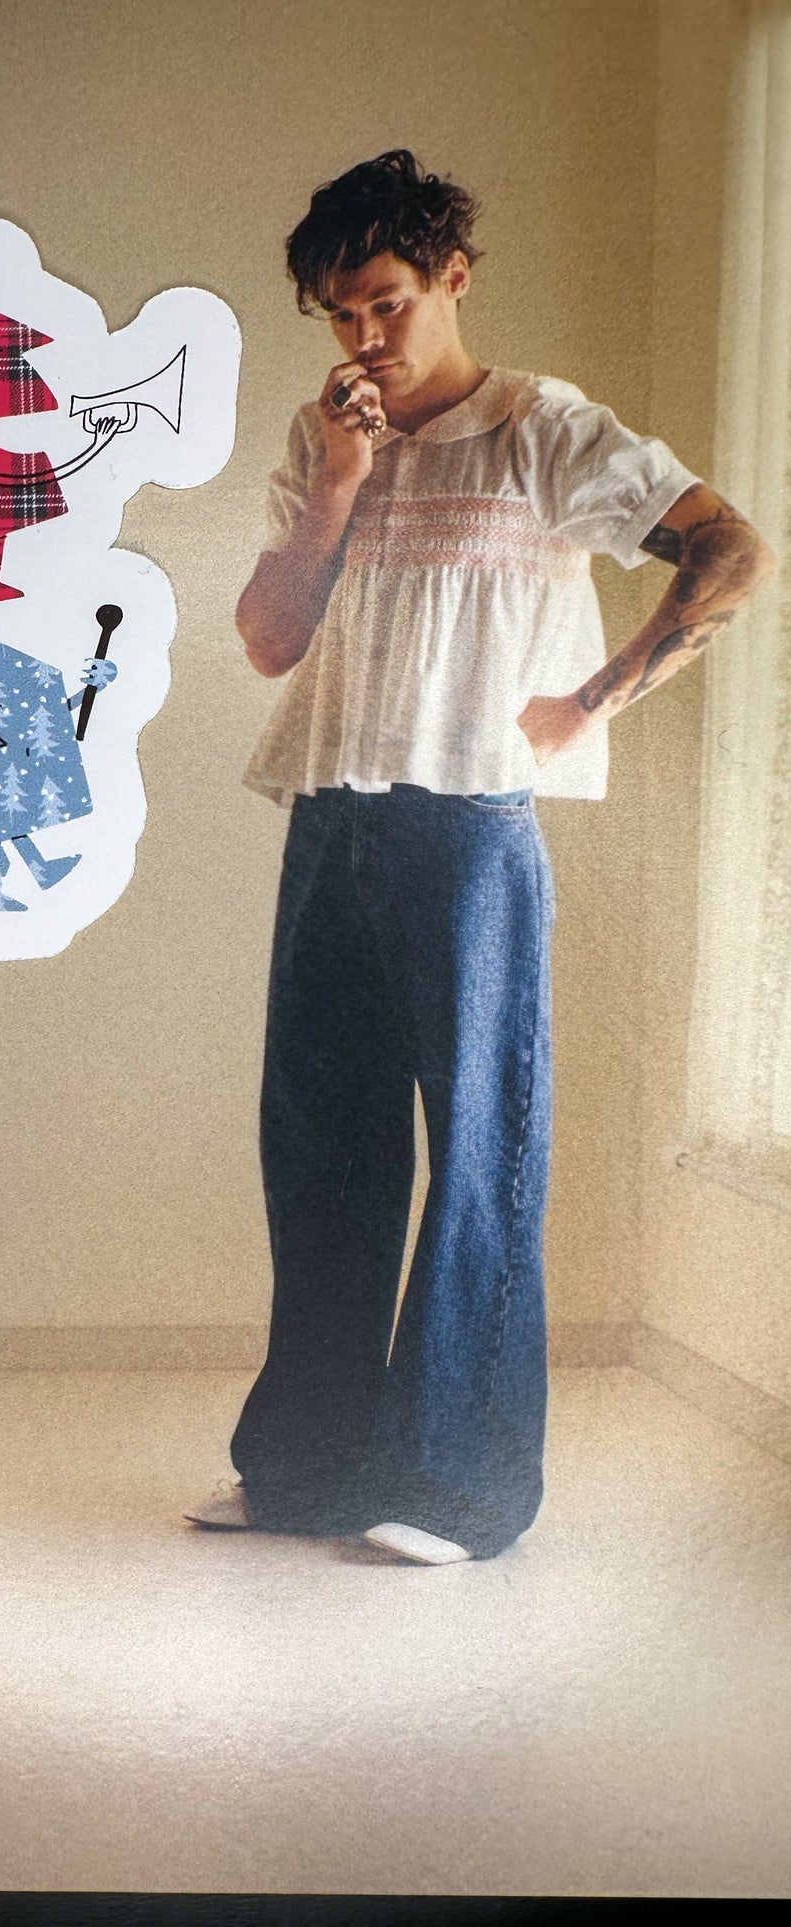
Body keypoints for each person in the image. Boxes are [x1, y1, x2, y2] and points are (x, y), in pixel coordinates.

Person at [187, 149, 775, 1564]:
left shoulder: (543, 431)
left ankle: (459, 1489)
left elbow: (732, 552)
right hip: (332, 816)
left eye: (386, 303)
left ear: (451, 277)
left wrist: (595, 698)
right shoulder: (325, 439)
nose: (365, 337)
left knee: (478, 1157)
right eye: (340, 314)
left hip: (468, 829)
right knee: (318, 1153)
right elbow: (268, 641)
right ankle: (310, 1472)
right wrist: (336, 484)